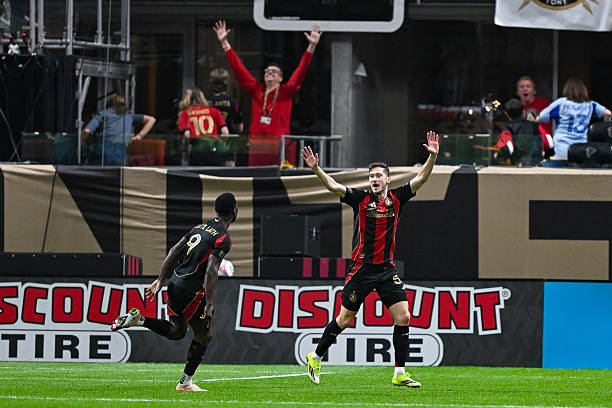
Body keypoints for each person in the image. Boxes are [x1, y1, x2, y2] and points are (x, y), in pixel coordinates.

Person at [301, 131, 440, 388]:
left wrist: (432, 156)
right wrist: (316, 168)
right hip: (361, 269)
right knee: (345, 320)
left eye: (378, 176)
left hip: (386, 269)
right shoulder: (361, 199)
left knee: (404, 317)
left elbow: (422, 177)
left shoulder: (397, 198)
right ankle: (316, 356)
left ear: (388, 179)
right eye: (371, 176)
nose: (374, 179)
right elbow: (334, 186)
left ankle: (399, 373)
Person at [110, 192, 237, 392]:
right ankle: (185, 383)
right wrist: (209, 303)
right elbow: (212, 270)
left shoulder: (199, 228)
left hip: (175, 283)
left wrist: (161, 279)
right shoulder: (223, 237)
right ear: (235, 211)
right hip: (191, 290)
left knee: (177, 331)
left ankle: (139, 320)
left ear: (216, 210)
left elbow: (174, 250)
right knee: (204, 334)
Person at [213, 20, 322, 166]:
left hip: (281, 147)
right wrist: (224, 43)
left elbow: (300, 72)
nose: (269, 72)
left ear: (280, 78)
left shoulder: (285, 92)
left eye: (274, 72)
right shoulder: (257, 90)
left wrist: (311, 47)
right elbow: (239, 70)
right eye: (267, 71)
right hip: (258, 147)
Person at [537, 78, 611, 168]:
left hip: (562, 151)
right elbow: (608, 113)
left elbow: (542, 117)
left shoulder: (561, 103)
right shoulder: (590, 104)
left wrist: (535, 118)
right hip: (580, 153)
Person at [82, 93, 156, 165]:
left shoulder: (103, 114)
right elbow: (151, 119)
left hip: (103, 150)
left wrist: (82, 141)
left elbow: (86, 131)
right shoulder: (129, 116)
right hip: (120, 151)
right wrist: (139, 136)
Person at [178, 87, 230, 166]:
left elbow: (187, 135)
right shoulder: (214, 111)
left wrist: (185, 151)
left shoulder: (185, 114)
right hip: (215, 151)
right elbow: (225, 132)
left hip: (197, 153)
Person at [494, 98, 551, 166]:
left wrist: (498, 156)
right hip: (536, 165)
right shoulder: (535, 125)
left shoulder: (508, 129)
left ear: (506, 114)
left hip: (518, 166)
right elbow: (548, 141)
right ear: (523, 112)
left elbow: (508, 147)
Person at [208, 68, 244, 135]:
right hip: (229, 139)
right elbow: (239, 129)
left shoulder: (204, 102)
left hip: (209, 139)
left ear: (211, 84)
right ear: (227, 84)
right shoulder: (234, 103)